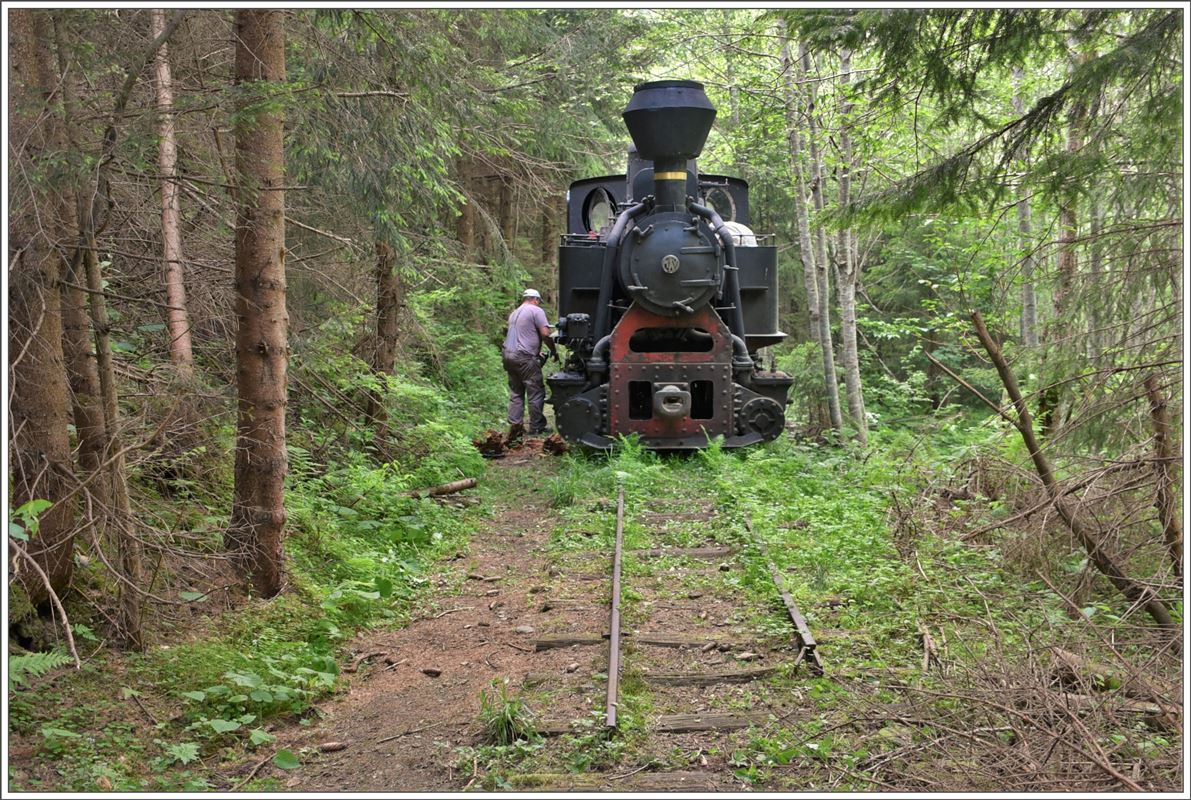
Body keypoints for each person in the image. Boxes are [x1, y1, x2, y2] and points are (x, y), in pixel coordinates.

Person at [502, 289, 558, 437]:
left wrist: (535, 349)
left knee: (516, 392)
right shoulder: (536, 310)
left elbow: (521, 335)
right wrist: (554, 350)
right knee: (535, 391)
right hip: (525, 358)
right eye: (538, 301)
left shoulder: (514, 313)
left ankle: (516, 428)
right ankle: (536, 427)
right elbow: (545, 334)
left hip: (508, 356)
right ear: (535, 299)